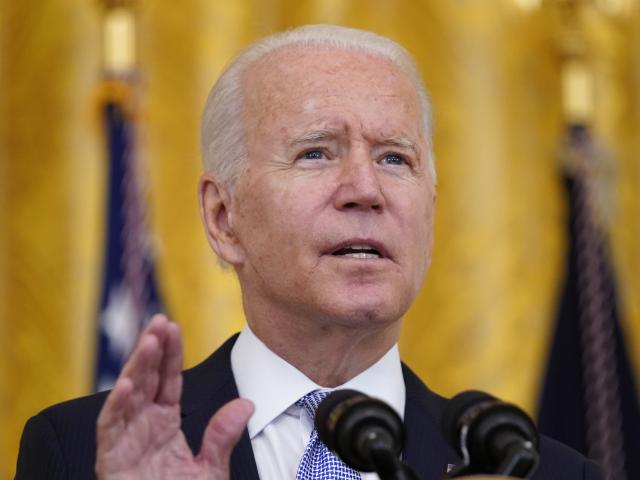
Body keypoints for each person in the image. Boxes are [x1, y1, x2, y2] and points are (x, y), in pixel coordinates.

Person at [16, 24, 603, 480]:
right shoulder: (79, 450)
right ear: (224, 218)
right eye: (315, 154)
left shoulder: (541, 471)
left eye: (394, 158)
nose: (366, 190)